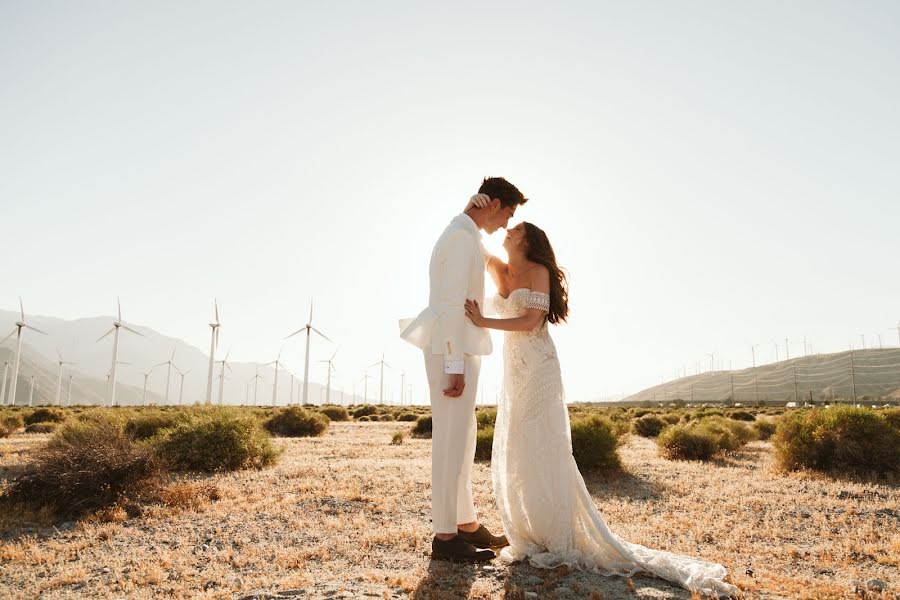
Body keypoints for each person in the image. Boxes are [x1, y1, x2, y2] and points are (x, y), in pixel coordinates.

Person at [399, 177, 528, 562]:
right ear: (496, 203)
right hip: (449, 350)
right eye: (507, 213)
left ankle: (466, 523)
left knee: (464, 435)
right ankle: (444, 536)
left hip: (457, 348)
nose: (505, 224)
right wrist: (454, 365)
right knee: (450, 440)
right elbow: (454, 306)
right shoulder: (459, 237)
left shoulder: (466, 233)